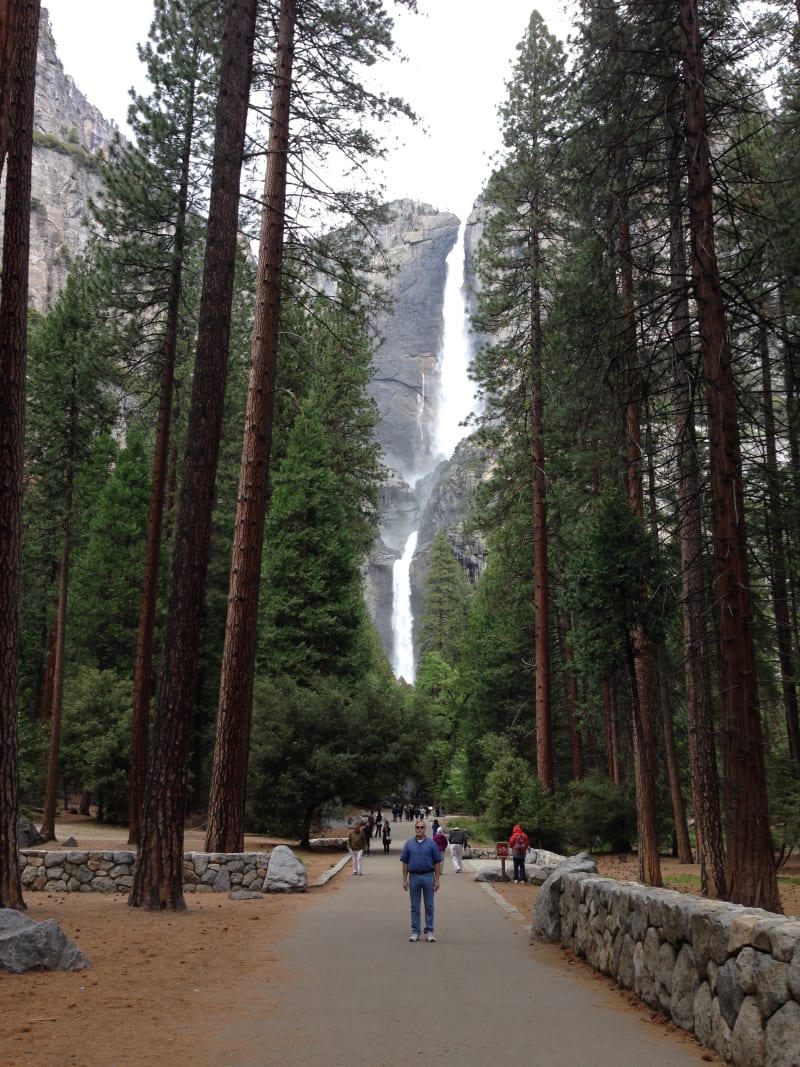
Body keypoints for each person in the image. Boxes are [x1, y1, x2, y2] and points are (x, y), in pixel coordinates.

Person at [400, 819, 441, 942]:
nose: (420, 829)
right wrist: (404, 879)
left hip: (428, 876)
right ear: (415, 829)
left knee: (429, 905)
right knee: (415, 906)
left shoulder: (431, 844)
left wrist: (437, 880)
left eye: (422, 827)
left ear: (425, 829)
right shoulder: (409, 844)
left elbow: (437, 862)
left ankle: (429, 931)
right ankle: (415, 931)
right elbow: (405, 862)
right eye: (417, 827)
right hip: (414, 877)